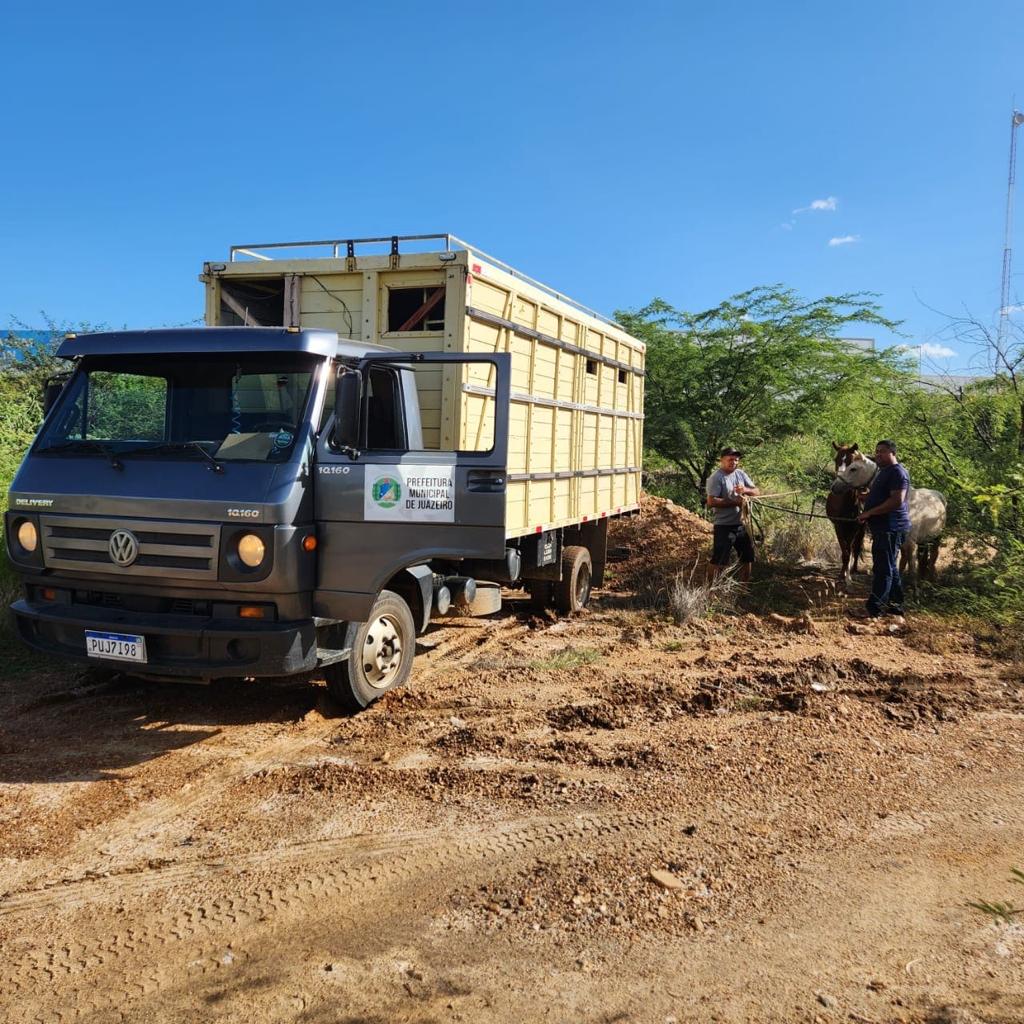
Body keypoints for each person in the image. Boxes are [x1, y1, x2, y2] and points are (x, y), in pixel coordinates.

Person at [856, 439, 912, 616]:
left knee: (882, 568)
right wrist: (868, 497)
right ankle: (895, 605)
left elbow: (896, 501)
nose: (878, 454)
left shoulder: (897, 473)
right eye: (877, 451)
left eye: (882, 451)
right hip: (884, 527)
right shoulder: (885, 472)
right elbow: (883, 495)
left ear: (892, 453)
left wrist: (869, 513)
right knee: (890, 567)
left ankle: (875, 608)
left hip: (890, 528)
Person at [706, 447, 759, 582]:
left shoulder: (740, 474)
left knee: (747, 557)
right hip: (724, 525)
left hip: (741, 524)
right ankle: (711, 591)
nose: (733, 462)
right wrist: (736, 502)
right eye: (730, 459)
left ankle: (743, 590)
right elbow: (711, 501)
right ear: (722, 460)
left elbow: (757, 492)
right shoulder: (716, 477)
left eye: (736, 460)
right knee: (719, 560)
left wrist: (745, 490)